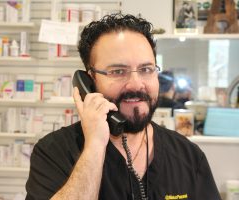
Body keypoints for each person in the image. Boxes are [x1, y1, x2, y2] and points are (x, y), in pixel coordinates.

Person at [25, 13, 221, 200]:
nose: (136, 84)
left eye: (146, 69)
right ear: (89, 82)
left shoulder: (189, 156)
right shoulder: (54, 152)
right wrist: (94, 146)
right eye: (118, 71)